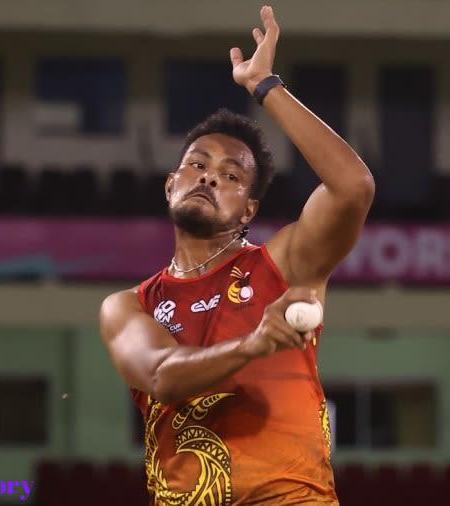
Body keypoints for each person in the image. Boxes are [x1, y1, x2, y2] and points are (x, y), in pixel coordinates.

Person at [100, 5, 374, 504]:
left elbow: (353, 187)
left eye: (230, 176)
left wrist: (267, 86)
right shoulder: (128, 305)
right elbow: (161, 376)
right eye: (197, 165)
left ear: (248, 209)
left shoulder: (284, 264)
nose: (208, 177)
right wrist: (253, 343)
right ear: (169, 186)